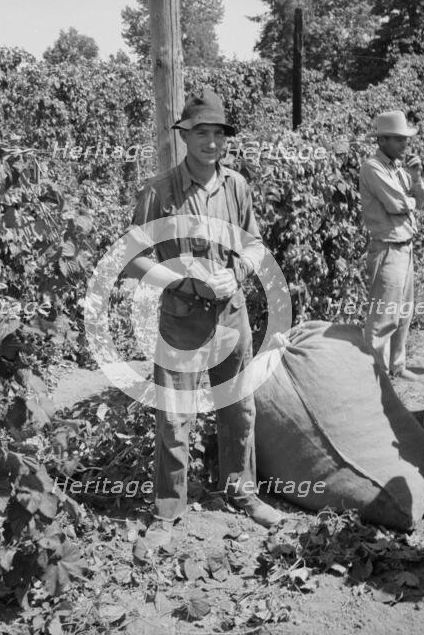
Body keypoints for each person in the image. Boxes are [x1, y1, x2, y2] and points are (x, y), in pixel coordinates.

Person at [124, 89, 283, 550]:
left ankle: (242, 494)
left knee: (239, 407)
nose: (210, 142)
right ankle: (167, 511)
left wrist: (236, 273)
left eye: (218, 134)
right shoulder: (159, 191)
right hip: (182, 320)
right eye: (201, 133)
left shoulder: (236, 186)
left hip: (232, 316)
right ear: (184, 136)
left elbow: (253, 244)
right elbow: (131, 256)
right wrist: (177, 279)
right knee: (174, 417)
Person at [359, 110, 424, 380]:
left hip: (405, 247)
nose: (405, 144)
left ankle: (397, 366)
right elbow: (397, 204)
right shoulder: (372, 167)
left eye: (405, 139)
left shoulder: (398, 168)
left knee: (404, 312)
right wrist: (409, 200)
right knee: (383, 318)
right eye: (399, 140)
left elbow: (418, 201)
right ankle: (376, 377)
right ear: (383, 140)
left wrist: (417, 177)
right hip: (387, 249)